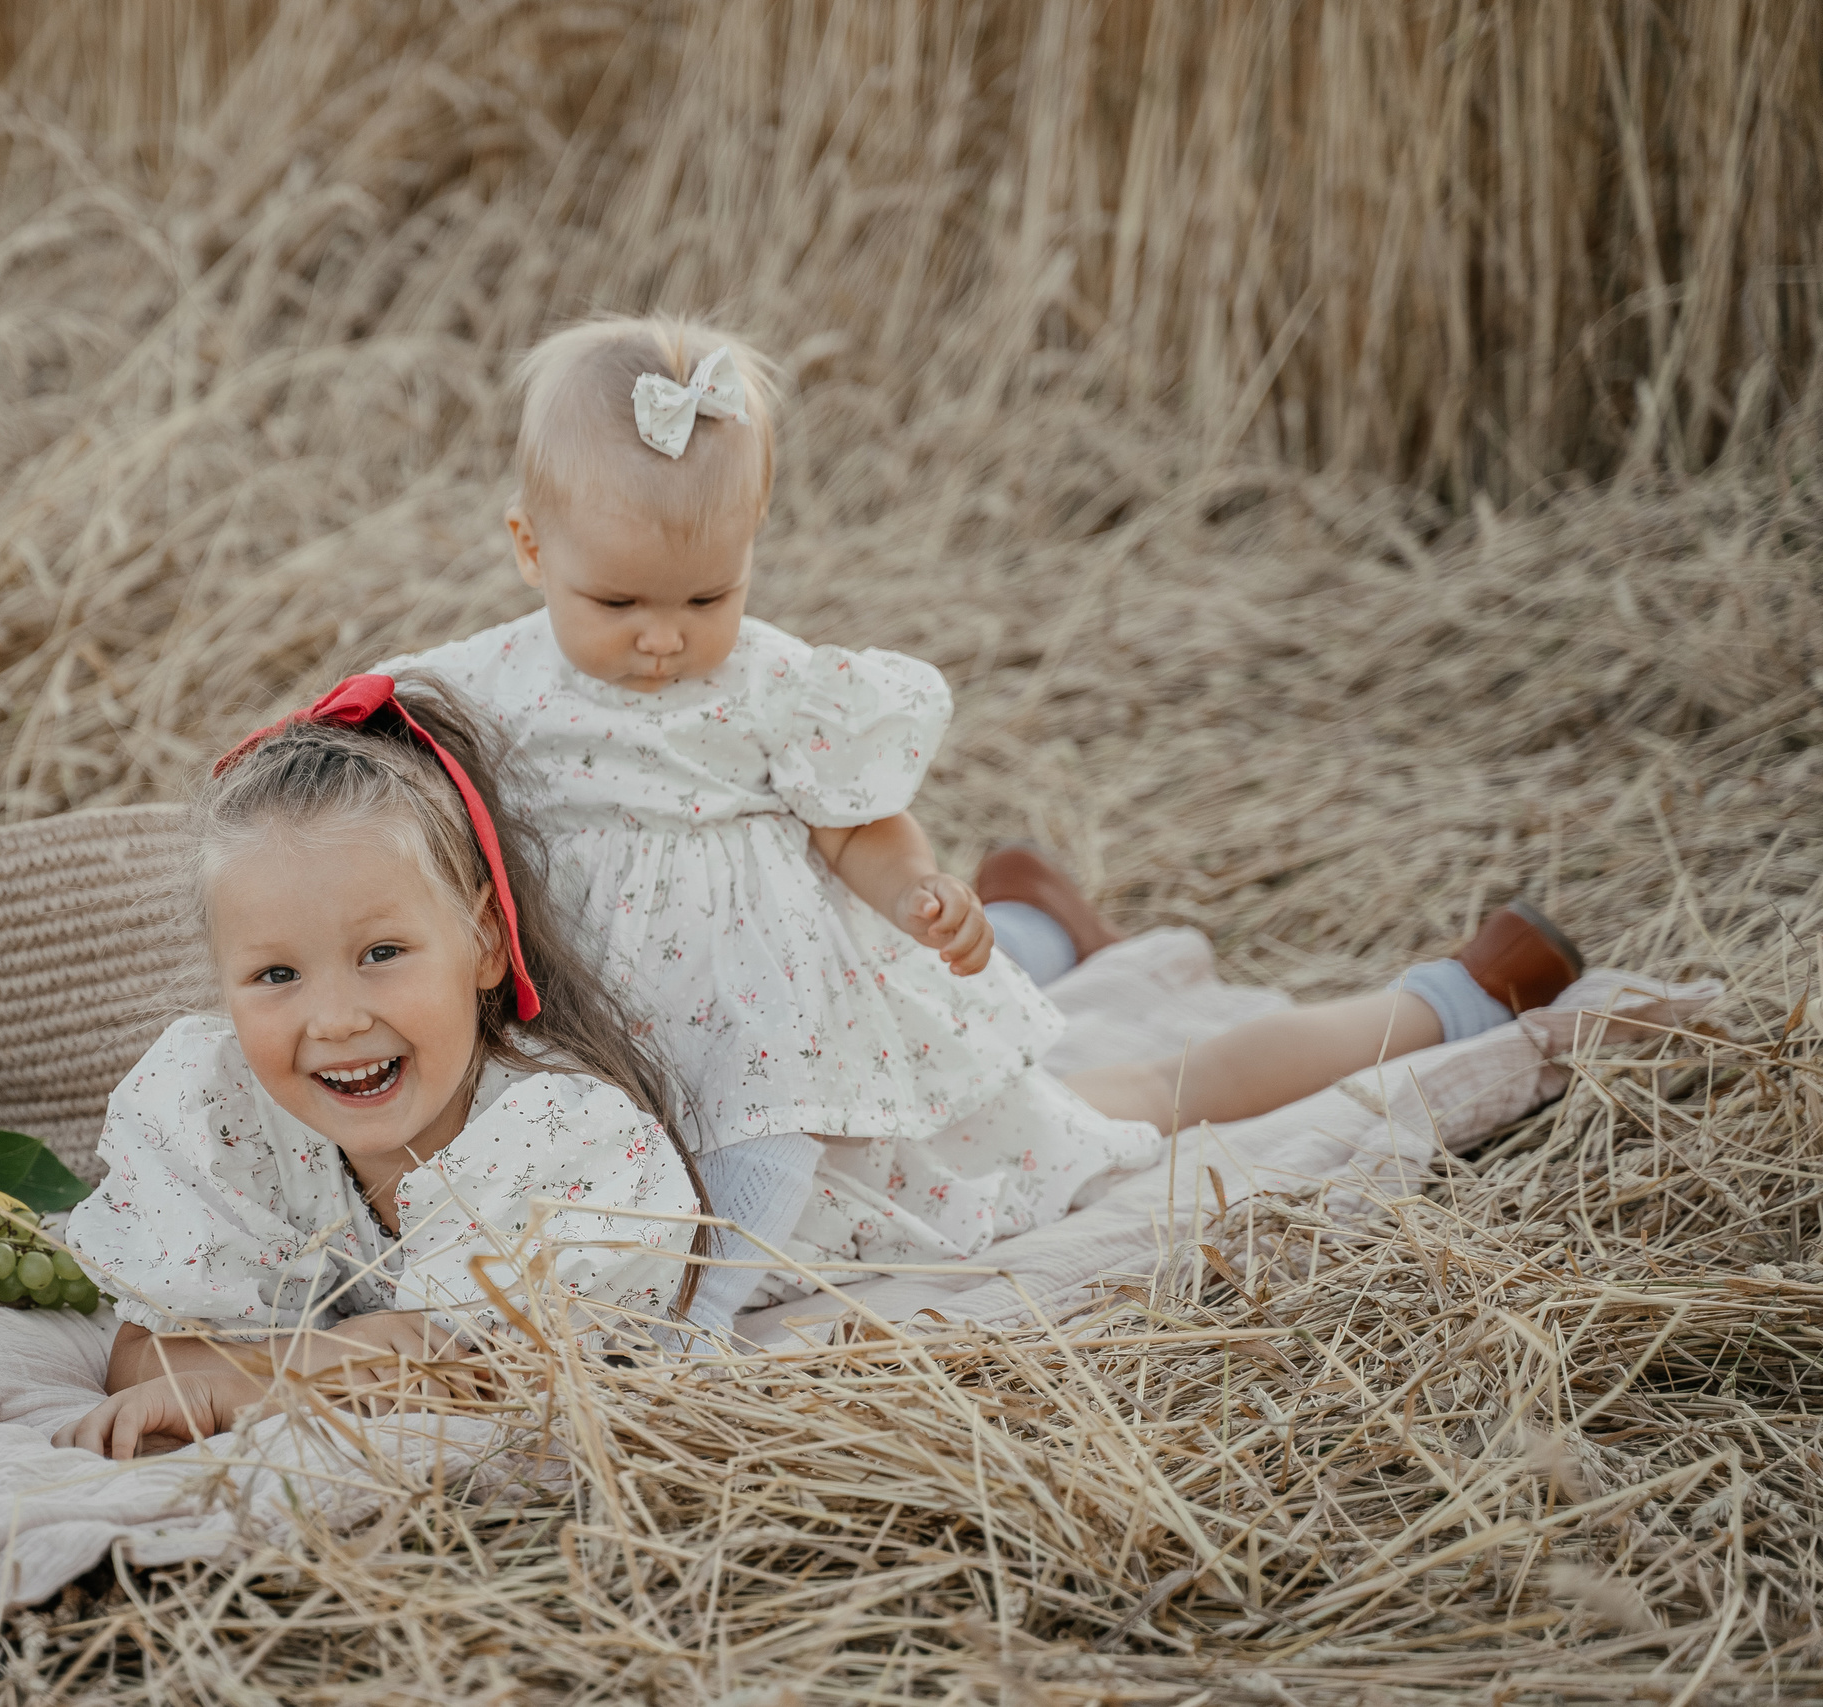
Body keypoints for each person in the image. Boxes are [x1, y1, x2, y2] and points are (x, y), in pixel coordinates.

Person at [381, 314, 1586, 1331]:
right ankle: (1039, 926)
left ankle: (1450, 999)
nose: (664, 636)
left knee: (1129, 1106)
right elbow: (359, 768)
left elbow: (857, 828)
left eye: (709, 596)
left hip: (798, 1065)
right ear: (530, 551)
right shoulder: (481, 688)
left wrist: (919, 895)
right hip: (611, 1069)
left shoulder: (773, 688)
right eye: (618, 600)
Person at [53, 673, 713, 1459]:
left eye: (382, 953)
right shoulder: (221, 1116)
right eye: (276, 975)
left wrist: (246, 1379)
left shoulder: (561, 1140)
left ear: (485, 943)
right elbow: (145, 1354)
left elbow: (479, 1373)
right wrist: (328, 1357)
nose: (335, 1019)